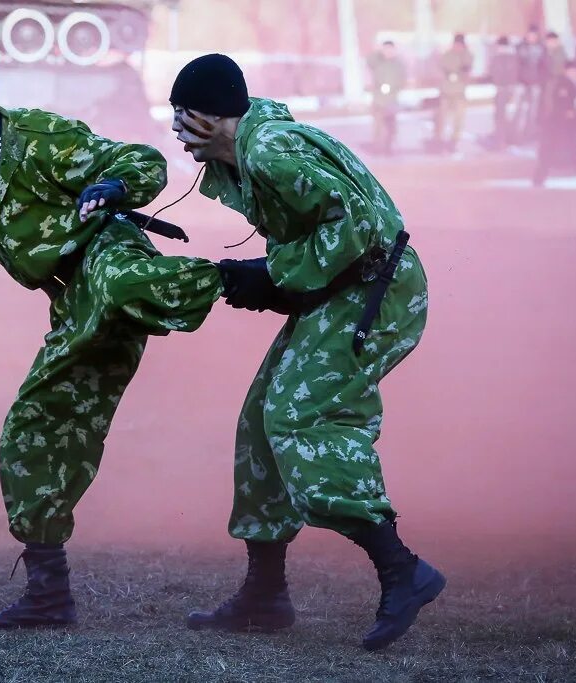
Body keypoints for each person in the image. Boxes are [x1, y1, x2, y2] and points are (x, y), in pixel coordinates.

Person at [0, 34, 223, 629]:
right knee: (30, 429)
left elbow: (140, 159)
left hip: (108, 253)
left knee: (120, 284)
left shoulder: (39, 137)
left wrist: (111, 188)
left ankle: (247, 282)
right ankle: (49, 594)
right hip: (70, 303)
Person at [168, 53, 444, 652]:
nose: (176, 131)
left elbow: (361, 223)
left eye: (183, 116)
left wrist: (273, 275)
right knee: (261, 419)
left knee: (299, 414)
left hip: (378, 291)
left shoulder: (269, 150)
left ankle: (402, 569)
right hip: (349, 287)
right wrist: (270, 277)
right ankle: (265, 595)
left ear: (213, 118)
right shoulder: (254, 150)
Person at [533, 61, 576, 188]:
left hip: (560, 126)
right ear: (567, 71)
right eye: (574, 71)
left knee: (556, 153)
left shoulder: (567, 83)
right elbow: (562, 103)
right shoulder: (564, 84)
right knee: (569, 153)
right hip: (561, 126)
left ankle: (539, 179)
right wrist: (570, 113)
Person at [432, 33, 474, 153]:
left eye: (460, 44)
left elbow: (467, 69)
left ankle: (454, 142)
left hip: (459, 93)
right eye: (456, 44)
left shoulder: (467, 55)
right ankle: (438, 140)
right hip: (446, 92)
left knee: (458, 120)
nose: (458, 46)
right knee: (441, 118)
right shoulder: (447, 55)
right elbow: (441, 69)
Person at [366, 41, 407, 155]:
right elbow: (369, 61)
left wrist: (396, 88)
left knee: (391, 127)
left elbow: (402, 79)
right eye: (385, 50)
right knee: (378, 127)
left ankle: (388, 148)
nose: (388, 52)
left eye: (390, 50)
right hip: (379, 100)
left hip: (392, 99)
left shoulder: (398, 64)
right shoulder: (377, 61)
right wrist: (378, 51)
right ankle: (377, 149)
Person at [514, 25, 547, 141]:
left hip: (535, 83)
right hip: (522, 82)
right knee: (520, 109)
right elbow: (516, 64)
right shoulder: (520, 47)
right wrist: (518, 79)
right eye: (529, 35)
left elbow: (544, 66)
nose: (531, 37)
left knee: (533, 110)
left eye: (533, 35)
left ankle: (529, 133)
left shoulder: (541, 49)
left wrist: (540, 80)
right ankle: (517, 133)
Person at [489, 35, 520, 148]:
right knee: (502, 114)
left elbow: (494, 72)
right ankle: (505, 138)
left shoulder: (500, 58)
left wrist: (501, 85)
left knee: (500, 114)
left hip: (503, 89)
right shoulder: (512, 57)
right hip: (506, 88)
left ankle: (502, 139)